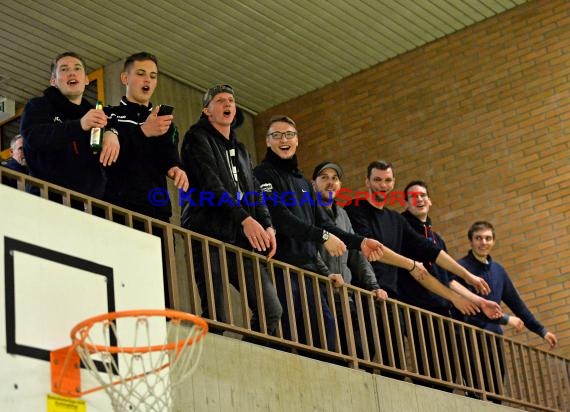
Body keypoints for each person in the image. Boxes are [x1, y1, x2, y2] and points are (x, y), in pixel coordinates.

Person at [344, 160, 498, 377]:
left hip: (390, 299)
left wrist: (469, 277)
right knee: (362, 354)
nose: (382, 185)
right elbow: (373, 248)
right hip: (363, 291)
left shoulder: (395, 220)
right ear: (367, 181)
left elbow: (429, 249)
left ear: (393, 182)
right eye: (377, 180)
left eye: (387, 180)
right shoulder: (355, 208)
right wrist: (411, 264)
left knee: (396, 365)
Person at [253, 116, 385, 352]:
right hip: (281, 266)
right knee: (290, 334)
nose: (284, 140)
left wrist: (360, 241)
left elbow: (326, 224)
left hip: (309, 273)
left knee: (326, 333)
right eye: (277, 135)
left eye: (289, 135)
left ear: (297, 140)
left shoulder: (302, 182)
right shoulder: (262, 174)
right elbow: (281, 218)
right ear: (267, 142)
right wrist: (322, 237)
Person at [180, 84, 282, 337]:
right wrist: (245, 219)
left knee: (271, 309)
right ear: (207, 110)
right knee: (217, 314)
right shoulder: (196, 138)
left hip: (239, 239)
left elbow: (255, 191)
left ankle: (251, 354)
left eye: (231, 101)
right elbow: (209, 183)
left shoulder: (243, 151)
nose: (228, 104)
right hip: (207, 233)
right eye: (220, 100)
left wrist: (267, 224)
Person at [400, 180, 505, 390]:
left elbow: (448, 278)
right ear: (405, 203)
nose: (419, 199)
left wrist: (479, 301)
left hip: (443, 310)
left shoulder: (437, 238)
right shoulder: (404, 229)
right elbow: (420, 274)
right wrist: (458, 292)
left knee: (451, 371)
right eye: (413, 196)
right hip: (420, 311)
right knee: (431, 371)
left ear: (429, 200)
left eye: (423, 195)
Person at [453, 221, 558, 401]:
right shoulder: (461, 268)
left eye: (488, 238)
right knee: (476, 393)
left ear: (493, 241)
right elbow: (469, 310)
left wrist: (542, 330)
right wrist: (506, 319)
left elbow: (517, 304)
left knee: (496, 392)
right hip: (468, 337)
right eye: (478, 238)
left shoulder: (498, 270)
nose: (483, 242)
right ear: (470, 241)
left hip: (493, 338)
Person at [20, 51, 119, 199]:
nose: (72, 73)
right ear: (53, 81)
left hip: (92, 206)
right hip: (48, 199)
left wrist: (112, 132)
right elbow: (34, 138)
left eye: (77, 68)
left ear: (86, 79)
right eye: (64, 69)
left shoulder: (98, 116)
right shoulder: (39, 106)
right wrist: (79, 126)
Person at [103, 52, 188, 222]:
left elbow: (169, 157)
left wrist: (176, 169)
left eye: (153, 76)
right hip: (116, 208)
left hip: (157, 212)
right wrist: (142, 132)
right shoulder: (108, 115)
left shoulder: (164, 122)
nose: (147, 80)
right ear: (125, 78)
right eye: (141, 74)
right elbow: (105, 159)